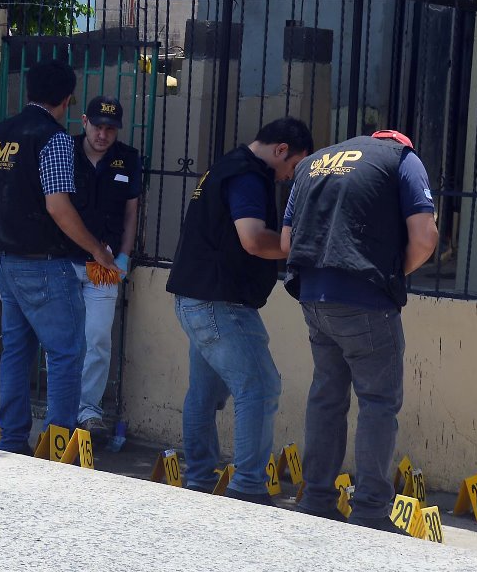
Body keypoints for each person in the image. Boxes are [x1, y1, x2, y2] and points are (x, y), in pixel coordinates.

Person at [280, 130, 438, 532]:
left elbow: (287, 240)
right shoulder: (403, 160)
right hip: (366, 299)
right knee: (378, 401)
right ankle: (369, 510)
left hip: (313, 294)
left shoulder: (312, 163)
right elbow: (425, 237)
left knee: (327, 395)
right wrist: (391, 276)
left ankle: (316, 498)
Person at [166, 117, 314, 505]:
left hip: (195, 296)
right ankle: (248, 487)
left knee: (205, 391)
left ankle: (198, 480)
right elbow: (251, 239)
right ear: (281, 150)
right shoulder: (249, 176)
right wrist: (302, 246)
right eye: (294, 166)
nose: (290, 177)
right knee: (260, 387)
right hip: (219, 303)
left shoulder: (227, 164)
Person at [0, 59, 120, 454]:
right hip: (42, 263)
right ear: (69, 99)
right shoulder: (54, 139)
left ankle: (12, 439)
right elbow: (58, 206)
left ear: (28, 91)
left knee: (16, 351)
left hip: (3, 260)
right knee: (65, 352)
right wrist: (97, 250)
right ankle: (59, 448)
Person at [68, 96, 142, 442]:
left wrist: (125, 255)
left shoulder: (127, 159)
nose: (102, 134)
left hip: (107, 266)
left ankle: (87, 411)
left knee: (97, 339)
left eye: (110, 128)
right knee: (64, 339)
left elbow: (130, 212)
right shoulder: (64, 150)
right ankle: (61, 409)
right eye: (97, 126)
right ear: (84, 121)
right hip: (64, 261)